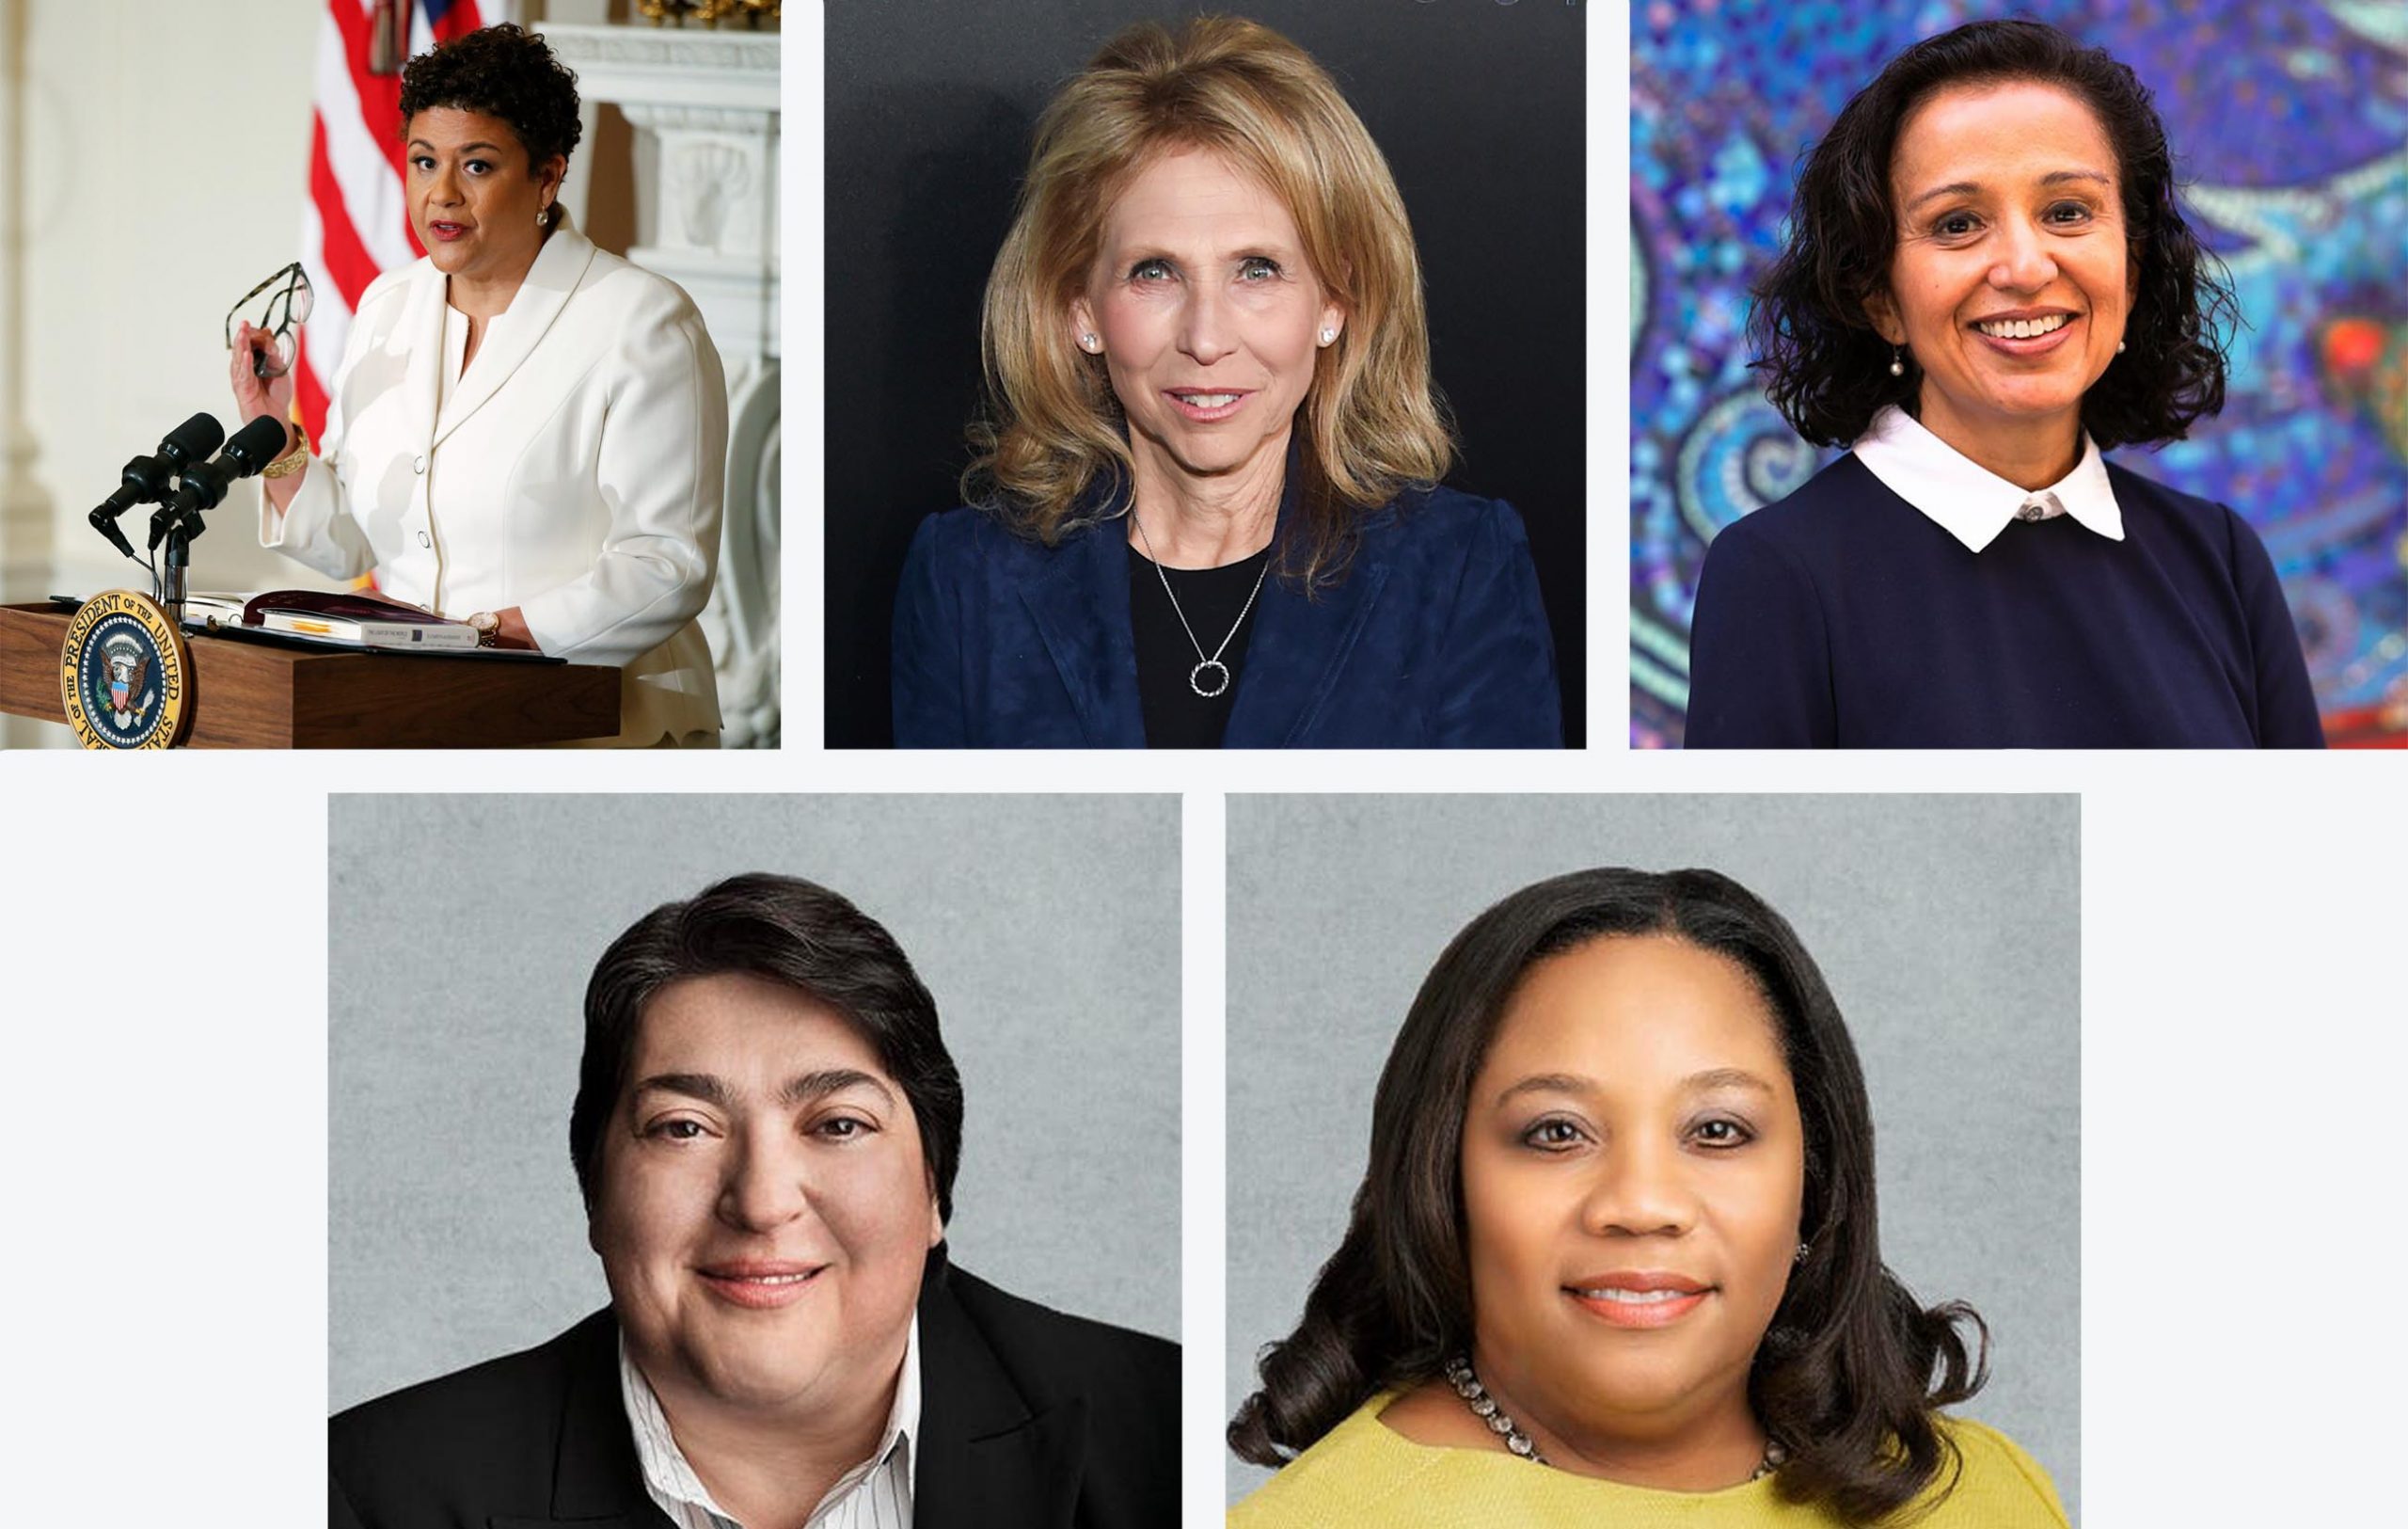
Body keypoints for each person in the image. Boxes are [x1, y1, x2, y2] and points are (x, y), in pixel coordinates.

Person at [329, 873, 1180, 1529]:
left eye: (839, 1123)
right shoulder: (368, 1492)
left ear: (933, 1191)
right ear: (594, 1186)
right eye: (684, 1128)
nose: (763, 1201)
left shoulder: (1163, 1443)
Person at [1228, 868, 2067, 1527]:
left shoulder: (1979, 1492)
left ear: (1814, 1185)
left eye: (1717, 1131)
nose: (1641, 1203)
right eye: (1558, 1132)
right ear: (1443, 1180)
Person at [891, 17, 1560, 748]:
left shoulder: (1458, 569)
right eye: (1155, 272)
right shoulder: (965, 579)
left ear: (1334, 302)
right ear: (1080, 309)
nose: (1206, 339)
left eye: (1257, 269)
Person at [1687, 19, 2322, 748]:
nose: (2025, 267)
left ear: (2132, 264)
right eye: (1958, 223)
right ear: (1879, 297)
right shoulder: (1778, 575)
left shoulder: (2222, 559)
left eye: (2067, 212)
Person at [231, 24, 728, 747]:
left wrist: (490, 637)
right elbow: (351, 543)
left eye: (478, 166)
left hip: (585, 727)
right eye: (424, 160)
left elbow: (668, 563)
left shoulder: (642, 322)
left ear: (548, 176)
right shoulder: (386, 305)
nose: (441, 194)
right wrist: (273, 430)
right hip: (415, 715)